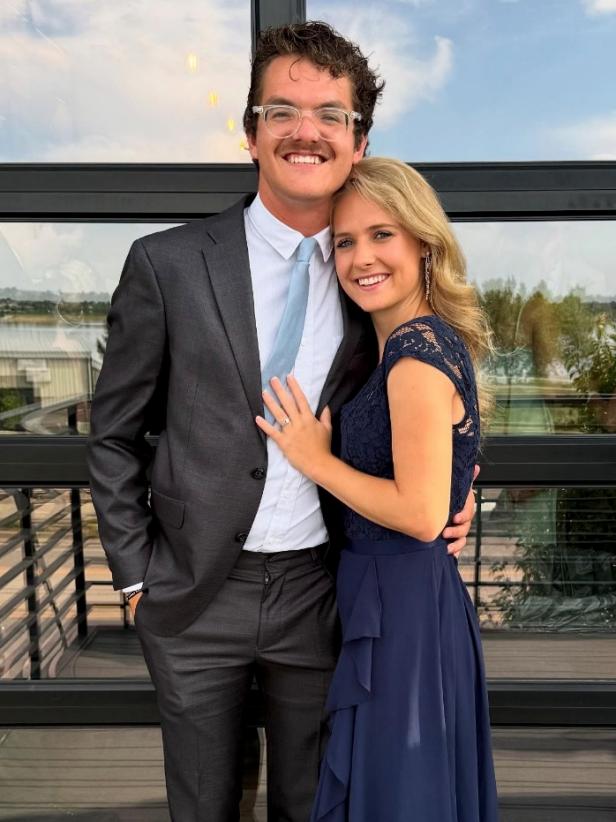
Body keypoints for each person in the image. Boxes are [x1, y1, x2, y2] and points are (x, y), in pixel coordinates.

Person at [87, 22, 476, 822]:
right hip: (193, 593)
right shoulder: (167, 264)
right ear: (251, 132)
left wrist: (456, 486)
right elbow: (115, 436)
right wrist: (135, 580)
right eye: (283, 111)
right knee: (204, 805)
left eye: (331, 114)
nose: (307, 130)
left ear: (358, 142)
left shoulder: (368, 275)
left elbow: (421, 395)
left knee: (315, 803)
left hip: (322, 590)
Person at [257, 157, 499, 821]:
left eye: (382, 234)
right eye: (345, 241)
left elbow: (420, 515)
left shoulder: (415, 355)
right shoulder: (410, 344)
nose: (361, 257)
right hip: (399, 597)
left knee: (399, 793)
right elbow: (438, 481)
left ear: (424, 243)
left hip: (403, 610)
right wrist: (458, 490)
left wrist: (313, 458)